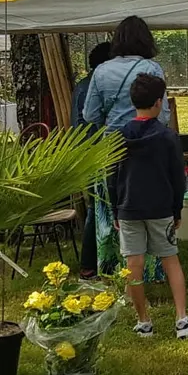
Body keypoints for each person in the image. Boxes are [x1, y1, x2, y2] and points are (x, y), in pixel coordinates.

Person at [109, 73, 188, 340]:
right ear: (159, 102)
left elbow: (111, 176)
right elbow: (177, 177)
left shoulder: (119, 136)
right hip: (161, 208)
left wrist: (116, 208)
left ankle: (143, 321)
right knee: (170, 259)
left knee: (133, 264)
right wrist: (177, 209)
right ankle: (182, 319)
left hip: (128, 208)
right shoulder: (168, 137)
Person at [83, 16, 167, 279]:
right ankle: (153, 268)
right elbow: (162, 115)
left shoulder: (101, 71)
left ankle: (111, 269)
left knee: (110, 209)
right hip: (148, 146)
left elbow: (90, 115)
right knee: (148, 206)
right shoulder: (152, 69)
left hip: (112, 147)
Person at [73, 42, 113, 278]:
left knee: (96, 207)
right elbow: (93, 120)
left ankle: (96, 262)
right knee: (97, 208)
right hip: (96, 151)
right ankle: (90, 264)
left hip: (84, 151)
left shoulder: (82, 85)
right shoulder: (94, 86)